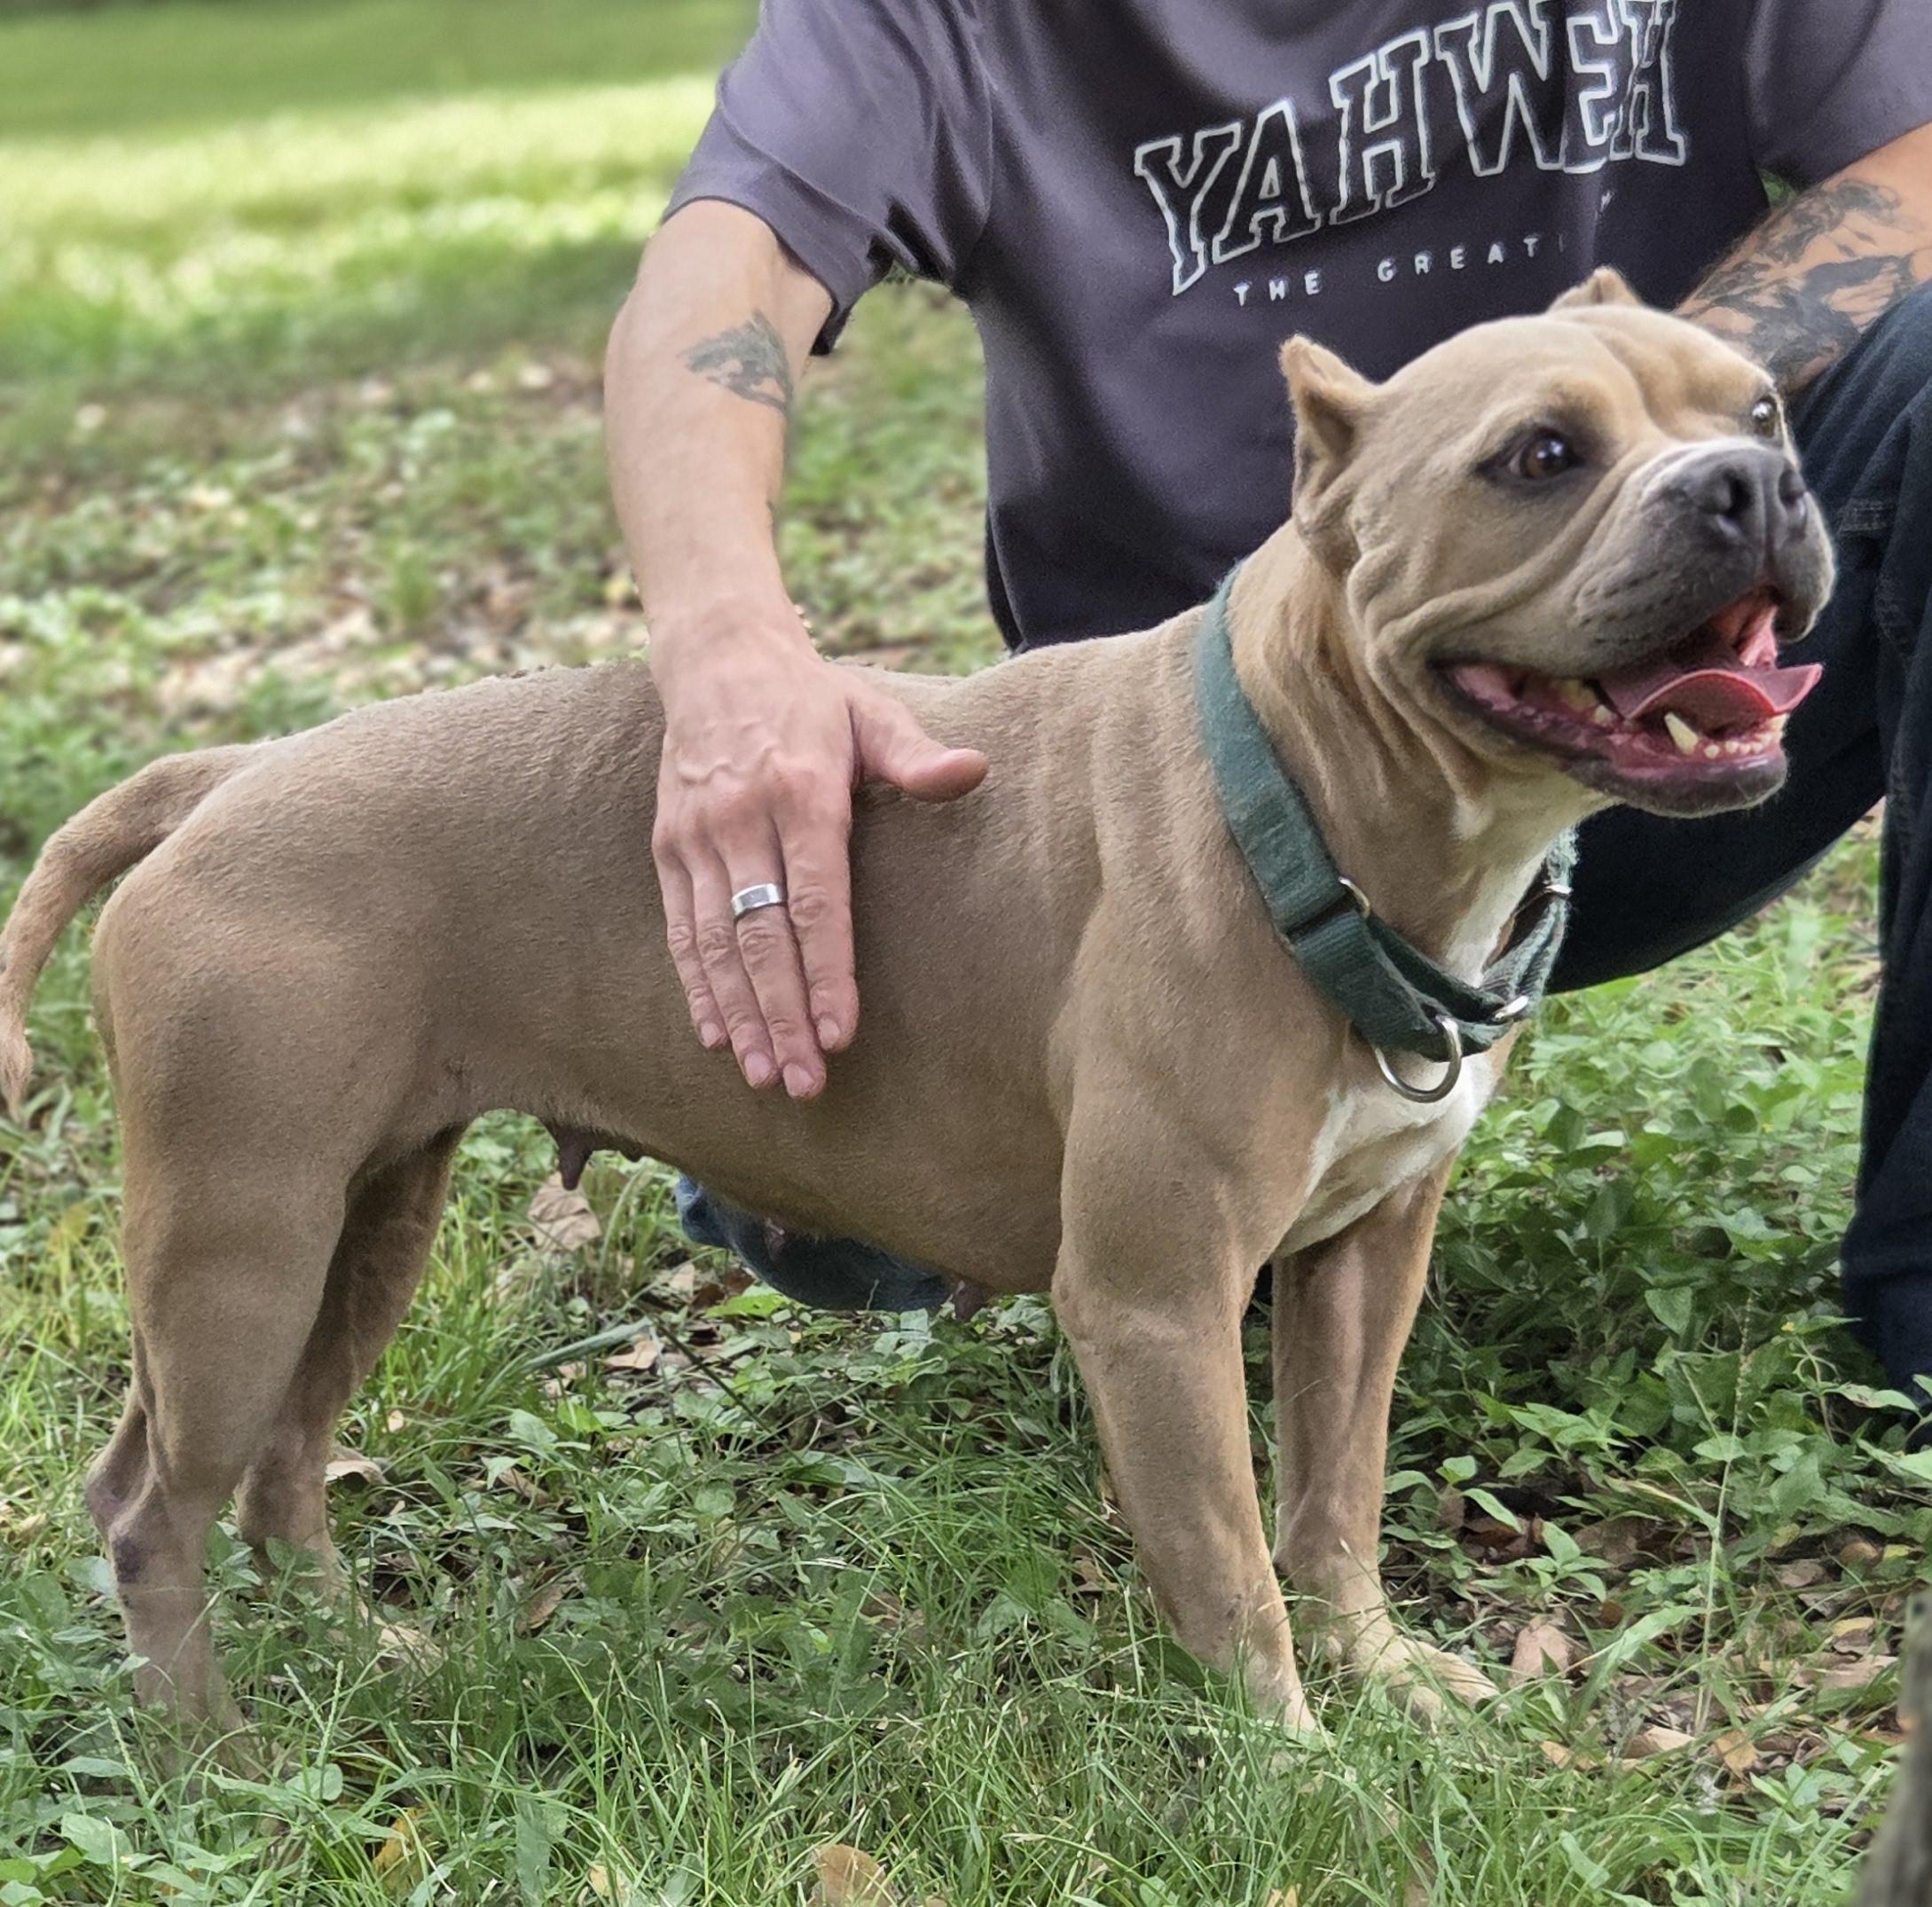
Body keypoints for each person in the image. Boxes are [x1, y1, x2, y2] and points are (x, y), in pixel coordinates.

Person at [604, 0, 1932, 1397]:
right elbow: (723, 268)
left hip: (1647, 712)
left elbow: (1914, 138)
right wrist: (729, 657)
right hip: (1185, 845)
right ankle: (1051, 1094)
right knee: (854, 1235)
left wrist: (1632, 441)